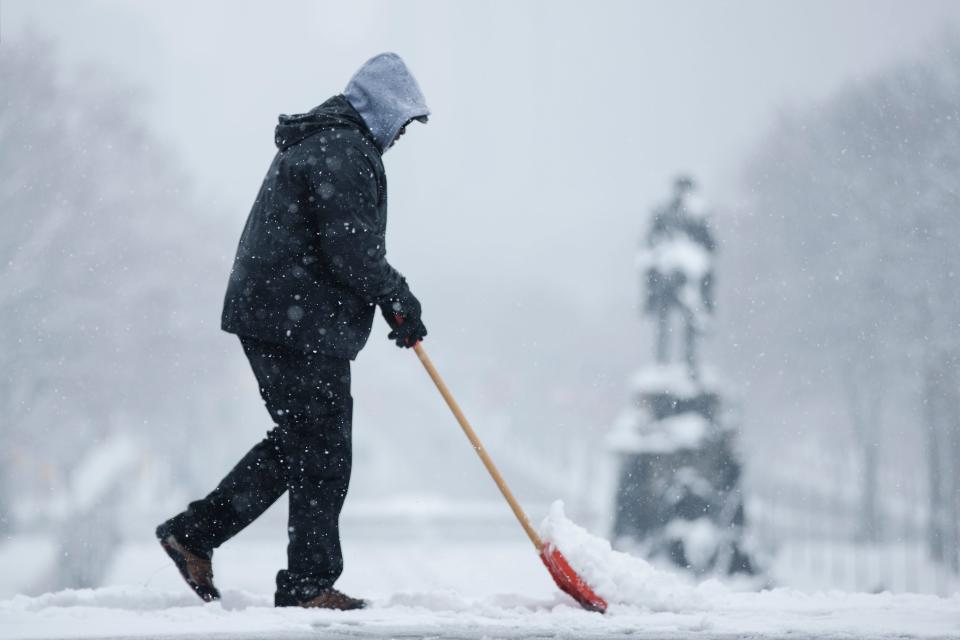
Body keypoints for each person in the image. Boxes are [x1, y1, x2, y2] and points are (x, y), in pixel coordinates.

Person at [155, 53, 430, 610]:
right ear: (380, 109)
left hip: (282, 314)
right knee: (324, 448)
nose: (401, 136)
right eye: (401, 122)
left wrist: (389, 299)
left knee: (307, 442)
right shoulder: (344, 149)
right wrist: (396, 296)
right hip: (294, 319)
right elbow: (351, 248)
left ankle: (197, 534)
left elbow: (346, 247)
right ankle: (306, 584)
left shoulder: (329, 141)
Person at [642, 175, 716, 378]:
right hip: (673, 278)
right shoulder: (674, 214)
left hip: (683, 279)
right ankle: (668, 362)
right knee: (672, 322)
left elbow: (709, 247)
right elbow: (710, 246)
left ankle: (681, 362)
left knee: (680, 323)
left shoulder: (693, 215)